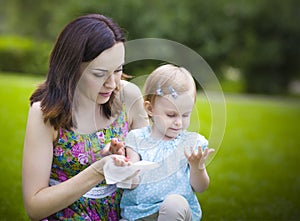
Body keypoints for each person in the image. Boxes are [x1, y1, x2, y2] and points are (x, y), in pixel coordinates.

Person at [22, 14, 148, 221]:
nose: (113, 83)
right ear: (71, 68)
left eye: (118, 69)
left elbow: (149, 164)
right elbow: (35, 207)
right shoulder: (45, 112)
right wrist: (98, 170)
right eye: (99, 74)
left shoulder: (129, 97)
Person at [120, 64, 215, 221]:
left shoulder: (191, 143)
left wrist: (197, 167)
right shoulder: (136, 139)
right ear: (150, 109)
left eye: (185, 115)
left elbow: (201, 187)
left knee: (174, 204)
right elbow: (131, 183)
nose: (179, 122)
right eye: (171, 115)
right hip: (139, 213)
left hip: (175, 213)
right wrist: (124, 169)